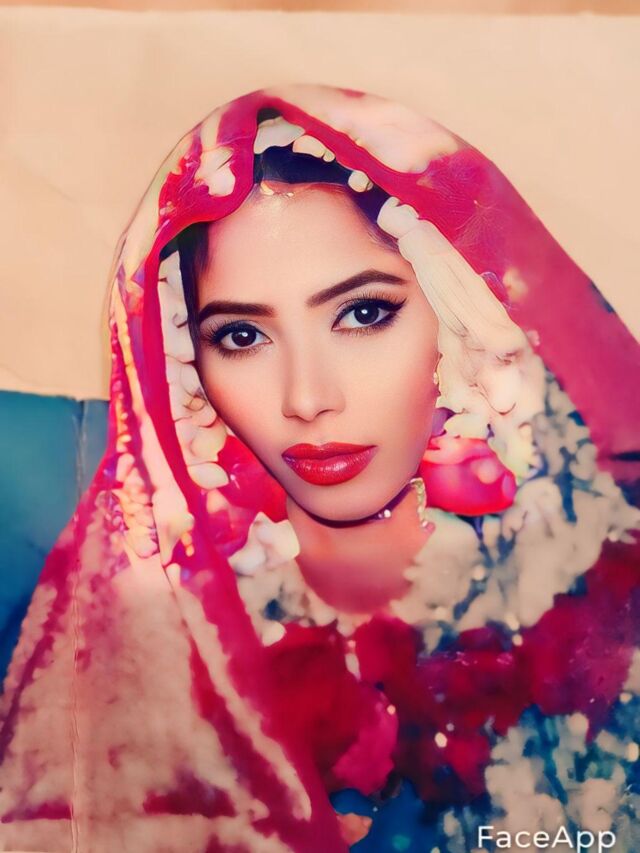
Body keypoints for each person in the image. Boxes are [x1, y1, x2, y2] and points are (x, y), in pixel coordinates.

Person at [1, 84, 639, 853]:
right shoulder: (118, 606)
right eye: (241, 335)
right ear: (185, 356)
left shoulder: (599, 590)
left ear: (460, 313)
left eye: (363, 313)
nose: (307, 398)